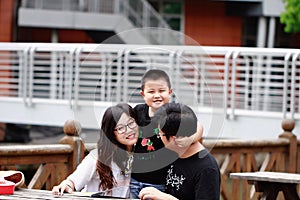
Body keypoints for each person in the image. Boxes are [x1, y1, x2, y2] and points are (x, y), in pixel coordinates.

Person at [130, 69, 203, 198]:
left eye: (161, 91)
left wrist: (189, 139)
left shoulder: (174, 113)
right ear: (143, 94)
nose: (157, 95)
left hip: (161, 182)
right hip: (134, 180)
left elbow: (198, 126)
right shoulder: (138, 111)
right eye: (151, 92)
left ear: (170, 92)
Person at [52, 103, 138, 198]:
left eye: (131, 123)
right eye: (121, 128)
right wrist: (66, 185)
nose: (129, 130)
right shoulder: (98, 157)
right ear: (111, 133)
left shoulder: (141, 155)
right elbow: (73, 181)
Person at [139, 103, 221, 200]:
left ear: (174, 138)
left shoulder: (206, 169)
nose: (159, 137)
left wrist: (166, 198)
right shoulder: (174, 152)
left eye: (160, 134)